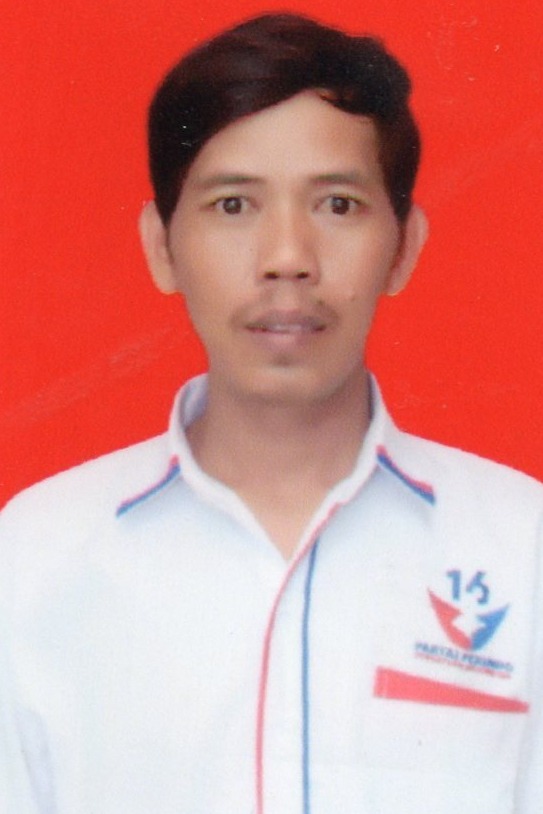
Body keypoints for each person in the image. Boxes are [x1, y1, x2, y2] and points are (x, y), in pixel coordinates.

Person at [0, 12, 541, 814]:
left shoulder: (524, 551)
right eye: (232, 206)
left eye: (337, 205)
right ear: (160, 246)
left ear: (403, 246)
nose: (287, 257)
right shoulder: (33, 556)